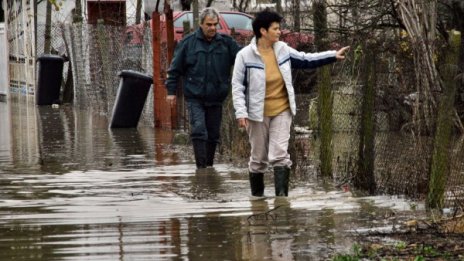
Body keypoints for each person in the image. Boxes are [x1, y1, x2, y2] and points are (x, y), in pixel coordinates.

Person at [231, 10, 349, 197]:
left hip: (282, 110)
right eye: (276, 28)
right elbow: (237, 86)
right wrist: (241, 112)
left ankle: (281, 203)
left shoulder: (283, 50)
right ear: (263, 31)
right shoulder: (245, 56)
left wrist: (333, 55)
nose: (280, 32)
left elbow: (306, 59)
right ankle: (257, 200)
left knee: (279, 155)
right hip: (256, 113)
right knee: (258, 159)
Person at [165, 7, 241, 169]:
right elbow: (174, 69)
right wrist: (171, 92)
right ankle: (201, 169)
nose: (212, 28)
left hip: (216, 97)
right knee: (199, 130)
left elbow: (243, 60)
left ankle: (209, 166)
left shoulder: (226, 44)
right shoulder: (188, 43)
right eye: (209, 24)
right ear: (200, 24)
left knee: (213, 135)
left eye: (215, 24)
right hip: (195, 96)